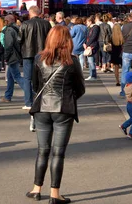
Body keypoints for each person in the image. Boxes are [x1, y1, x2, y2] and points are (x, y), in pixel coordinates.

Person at [27, 26, 85, 204]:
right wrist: (68, 95)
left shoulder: (39, 58)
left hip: (42, 108)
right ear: (68, 40)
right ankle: (55, 194)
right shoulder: (72, 61)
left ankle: (36, 189)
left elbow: (35, 85)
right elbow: (80, 88)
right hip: (63, 108)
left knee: (42, 150)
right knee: (58, 153)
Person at [19, 6, 52, 111]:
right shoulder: (46, 24)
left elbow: (19, 39)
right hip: (43, 54)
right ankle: (42, 101)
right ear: (39, 13)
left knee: (27, 79)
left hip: (28, 54)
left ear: (30, 13)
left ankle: (28, 102)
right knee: (43, 78)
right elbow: (51, 39)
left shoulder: (25, 24)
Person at [1, 15, 27, 105]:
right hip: (17, 54)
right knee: (10, 77)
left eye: (5, 20)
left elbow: (8, 45)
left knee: (16, 76)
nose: (4, 22)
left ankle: (31, 92)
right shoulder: (17, 28)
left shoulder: (9, 30)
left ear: (8, 21)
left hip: (12, 55)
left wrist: (6, 57)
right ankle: (8, 96)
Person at [83, 16, 100, 81]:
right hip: (89, 45)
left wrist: (87, 44)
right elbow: (86, 36)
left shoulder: (96, 27)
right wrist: (84, 43)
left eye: (87, 22)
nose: (86, 23)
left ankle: (93, 75)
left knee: (91, 61)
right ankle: (91, 75)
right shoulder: (89, 28)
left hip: (92, 46)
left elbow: (93, 37)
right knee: (90, 61)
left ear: (90, 21)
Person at [109, 22, 124, 87]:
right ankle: (124, 80)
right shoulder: (122, 36)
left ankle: (117, 81)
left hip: (114, 53)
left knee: (116, 68)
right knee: (124, 68)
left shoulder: (112, 36)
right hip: (121, 53)